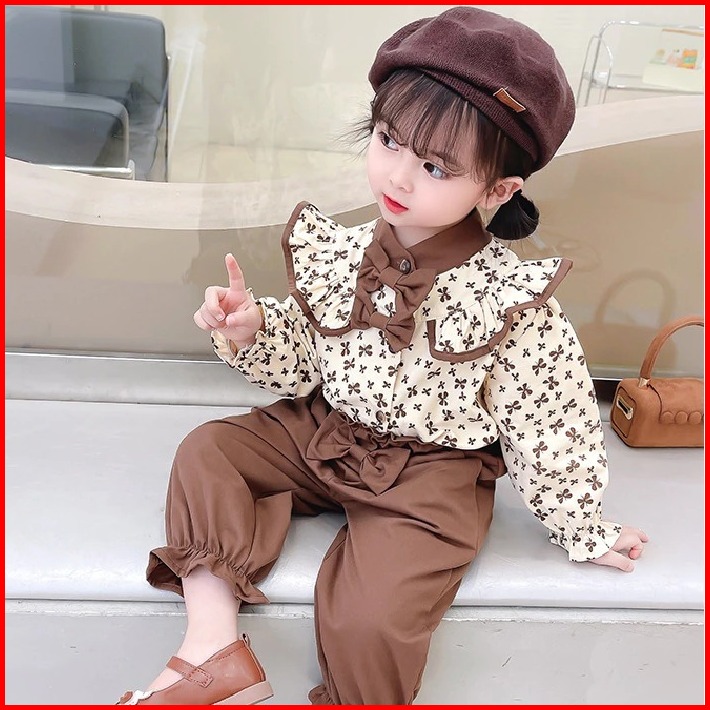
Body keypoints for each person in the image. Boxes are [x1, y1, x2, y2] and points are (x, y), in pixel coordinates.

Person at [117, 7, 648, 706]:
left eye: (434, 166)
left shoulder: (507, 301)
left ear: (497, 190)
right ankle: (212, 648)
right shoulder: (343, 253)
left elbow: (550, 419)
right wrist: (251, 329)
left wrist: (582, 526)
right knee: (209, 451)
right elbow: (307, 358)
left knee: (369, 620)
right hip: (326, 429)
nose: (398, 175)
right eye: (389, 140)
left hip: (431, 474)